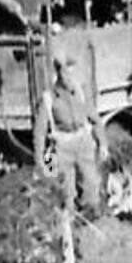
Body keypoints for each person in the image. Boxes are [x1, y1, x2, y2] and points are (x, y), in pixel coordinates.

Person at [36, 49, 105, 217]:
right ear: (59, 74)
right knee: (64, 194)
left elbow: (95, 119)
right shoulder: (48, 98)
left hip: (83, 143)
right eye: (67, 74)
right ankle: (69, 229)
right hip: (61, 147)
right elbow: (40, 132)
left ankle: (92, 220)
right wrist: (42, 162)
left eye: (73, 74)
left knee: (92, 186)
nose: (71, 79)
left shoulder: (79, 92)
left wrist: (103, 144)